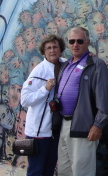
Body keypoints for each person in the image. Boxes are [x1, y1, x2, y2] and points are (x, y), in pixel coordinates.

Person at [56, 27, 108, 176]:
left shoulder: (96, 64)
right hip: (64, 124)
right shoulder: (65, 65)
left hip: (84, 126)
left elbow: (104, 98)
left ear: (87, 42)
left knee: (82, 172)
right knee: (64, 170)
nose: (75, 45)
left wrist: (98, 125)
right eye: (72, 41)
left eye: (80, 41)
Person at [21, 34, 67, 176]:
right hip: (39, 132)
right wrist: (44, 89)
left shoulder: (66, 64)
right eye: (48, 48)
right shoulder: (39, 71)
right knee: (36, 171)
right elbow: (25, 100)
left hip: (56, 130)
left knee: (49, 170)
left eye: (55, 47)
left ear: (60, 49)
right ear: (43, 51)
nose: (52, 50)